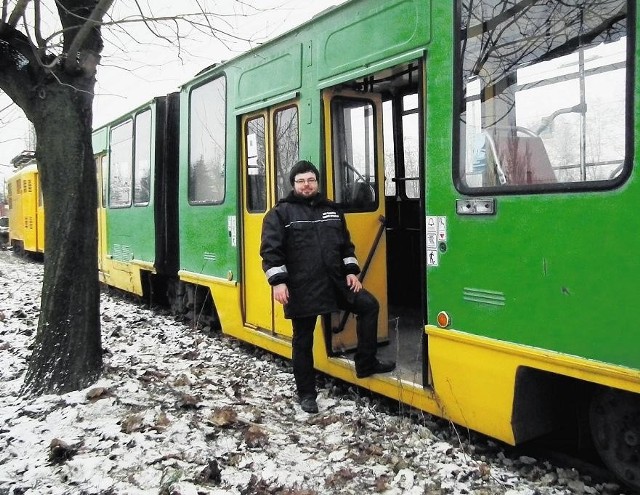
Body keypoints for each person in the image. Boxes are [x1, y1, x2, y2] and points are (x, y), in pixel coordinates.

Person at [260, 160, 395, 414]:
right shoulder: (280, 214)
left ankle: (365, 363)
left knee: (368, 305)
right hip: (302, 289)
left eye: (310, 180)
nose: (306, 185)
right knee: (303, 341)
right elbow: (270, 252)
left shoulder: (332, 211)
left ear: (317, 182)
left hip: (336, 283)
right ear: (293, 185)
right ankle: (307, 394)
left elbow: (345, 246)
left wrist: (352, 272)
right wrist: (278, 282)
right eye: (301, 181)